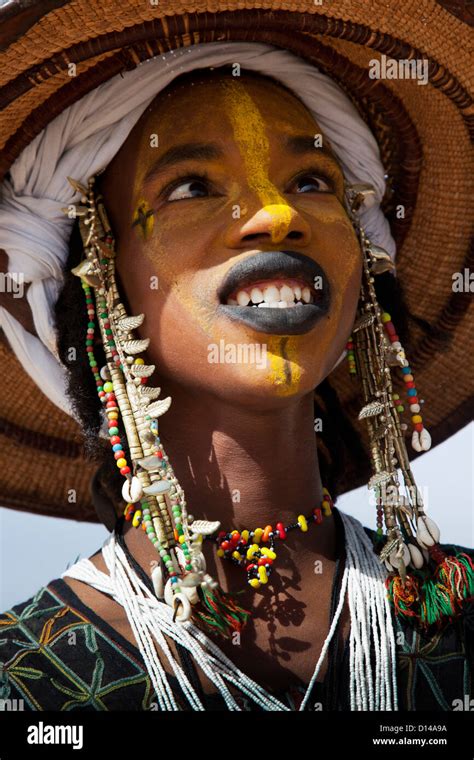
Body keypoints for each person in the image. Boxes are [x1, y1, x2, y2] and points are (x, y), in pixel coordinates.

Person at [0, 3, 472, 713]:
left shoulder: (457, 623)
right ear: (93, 277)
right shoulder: (28, 683)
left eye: (313, 182)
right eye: (191, 187)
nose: (279, 217)